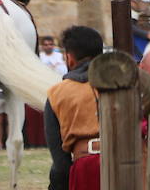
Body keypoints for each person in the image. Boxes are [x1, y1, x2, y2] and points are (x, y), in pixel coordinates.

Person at [44, 25, 104, 190]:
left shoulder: (56, 93)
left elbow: (60, 160)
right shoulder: (121, 85)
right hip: (122, 165)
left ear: (69, 58)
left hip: (84, 167)